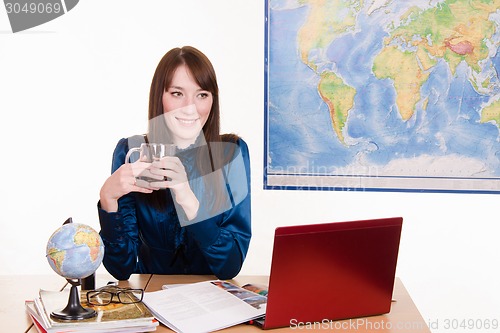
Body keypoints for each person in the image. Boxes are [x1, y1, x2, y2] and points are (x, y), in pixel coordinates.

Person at [97, 46, 251, 281]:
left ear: (212, 101)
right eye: (177, 93)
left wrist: (187, 198)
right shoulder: (133, 152)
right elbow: (121, 268)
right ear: (160, 96)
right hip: (152, 300)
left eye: (202, 95)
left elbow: (230, 266)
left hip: (212, 304)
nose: (190, 108)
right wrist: (108, 199)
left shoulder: (231, 154)